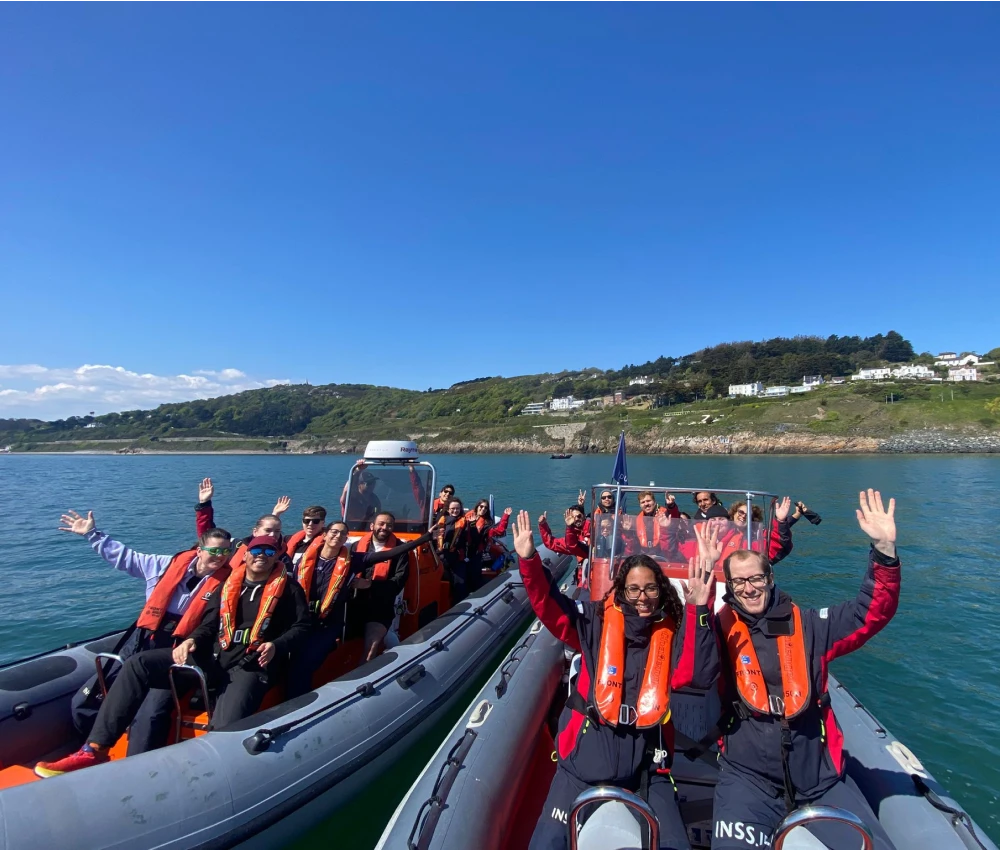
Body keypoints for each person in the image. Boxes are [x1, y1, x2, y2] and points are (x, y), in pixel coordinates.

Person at [690, 490, 901, 849]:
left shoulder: (812, 626)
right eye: (739, 582)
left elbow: (870, 613)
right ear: (730, 590)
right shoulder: (719, 631)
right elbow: (694, 668)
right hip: (747, 778)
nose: (749, 588)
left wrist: (884, 552)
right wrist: (700, 602)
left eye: (756, 578)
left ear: (770, 579)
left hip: (818, 777)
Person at [515, 510, 715, 850]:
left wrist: (699, 606)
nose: (642, 597)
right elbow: (550, 607)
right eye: (634, 588)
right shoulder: (593, 623)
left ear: (661, 590)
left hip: (647, 773)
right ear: (621, 590)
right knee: (545, 844)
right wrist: (529, 560)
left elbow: (698, 672)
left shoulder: (671, 633)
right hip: (581, 766)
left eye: (650, 588)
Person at [35, 534, 310, 777]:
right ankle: (95, 748)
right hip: (212, 656)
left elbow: (302, 626)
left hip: (251, 664)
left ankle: (209, 774)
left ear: (276, 558)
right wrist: (191, 641)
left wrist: (277, 645)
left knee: (226, 725)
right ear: (246, 554)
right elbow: (209, 624)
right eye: (256, 551)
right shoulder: (227, 586)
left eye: (268, 552)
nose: (261, 556)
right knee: (138, 664)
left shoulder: (289, 589)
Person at [58, 507, 234, 755]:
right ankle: (87, 751)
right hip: (143, 639)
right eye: (214, 550)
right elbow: (126, 558)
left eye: (226, 551)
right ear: (200, 549)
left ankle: (137, 765)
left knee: (150, 713)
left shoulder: (229, 583)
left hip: (180, 648)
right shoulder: (164, 565)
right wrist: (92, 534)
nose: (219, 556)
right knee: (84, 701)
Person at [286, 517, 449, 695]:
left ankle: (354, 688)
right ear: (324, 535)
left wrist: (425, 538)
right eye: (334, 532)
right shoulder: (304, 560)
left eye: (342, 534)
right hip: (307, 618)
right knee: (289, 657)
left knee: (304, 663)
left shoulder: (353, 560)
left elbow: (391, 554)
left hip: (333, 621)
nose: (338, 536)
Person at [466, 501, 512, 592]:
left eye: (485, 508)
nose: (483, 509)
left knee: (475, 575)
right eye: (481, 506)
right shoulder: (466, 517)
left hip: (476, 552)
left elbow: (499, 530)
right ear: (477, 506)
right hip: (463, 551)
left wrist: (505, 516)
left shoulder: (486, 525)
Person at [434, 499, 472, 602]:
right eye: (453, 509)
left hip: (457, 557)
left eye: (457, 509)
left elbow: (468, 538)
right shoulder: (442, 520)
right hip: (442, 556)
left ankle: (459, 604)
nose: (455, 511)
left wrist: (471, 525)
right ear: (448, 509)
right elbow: (434, 536)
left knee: (460, 583)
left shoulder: (464, 522)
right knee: (442, 582)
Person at [620, 490, 681, 555]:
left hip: (664, 551)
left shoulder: (665, 514)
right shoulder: (637, 519)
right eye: (643, 502)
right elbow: (633, 547)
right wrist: (628, 532)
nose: (646, 504)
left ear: (654, 502)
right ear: (640, 505)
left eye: (648, 501)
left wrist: (671, 506)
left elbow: (675, 518)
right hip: (644, 553)